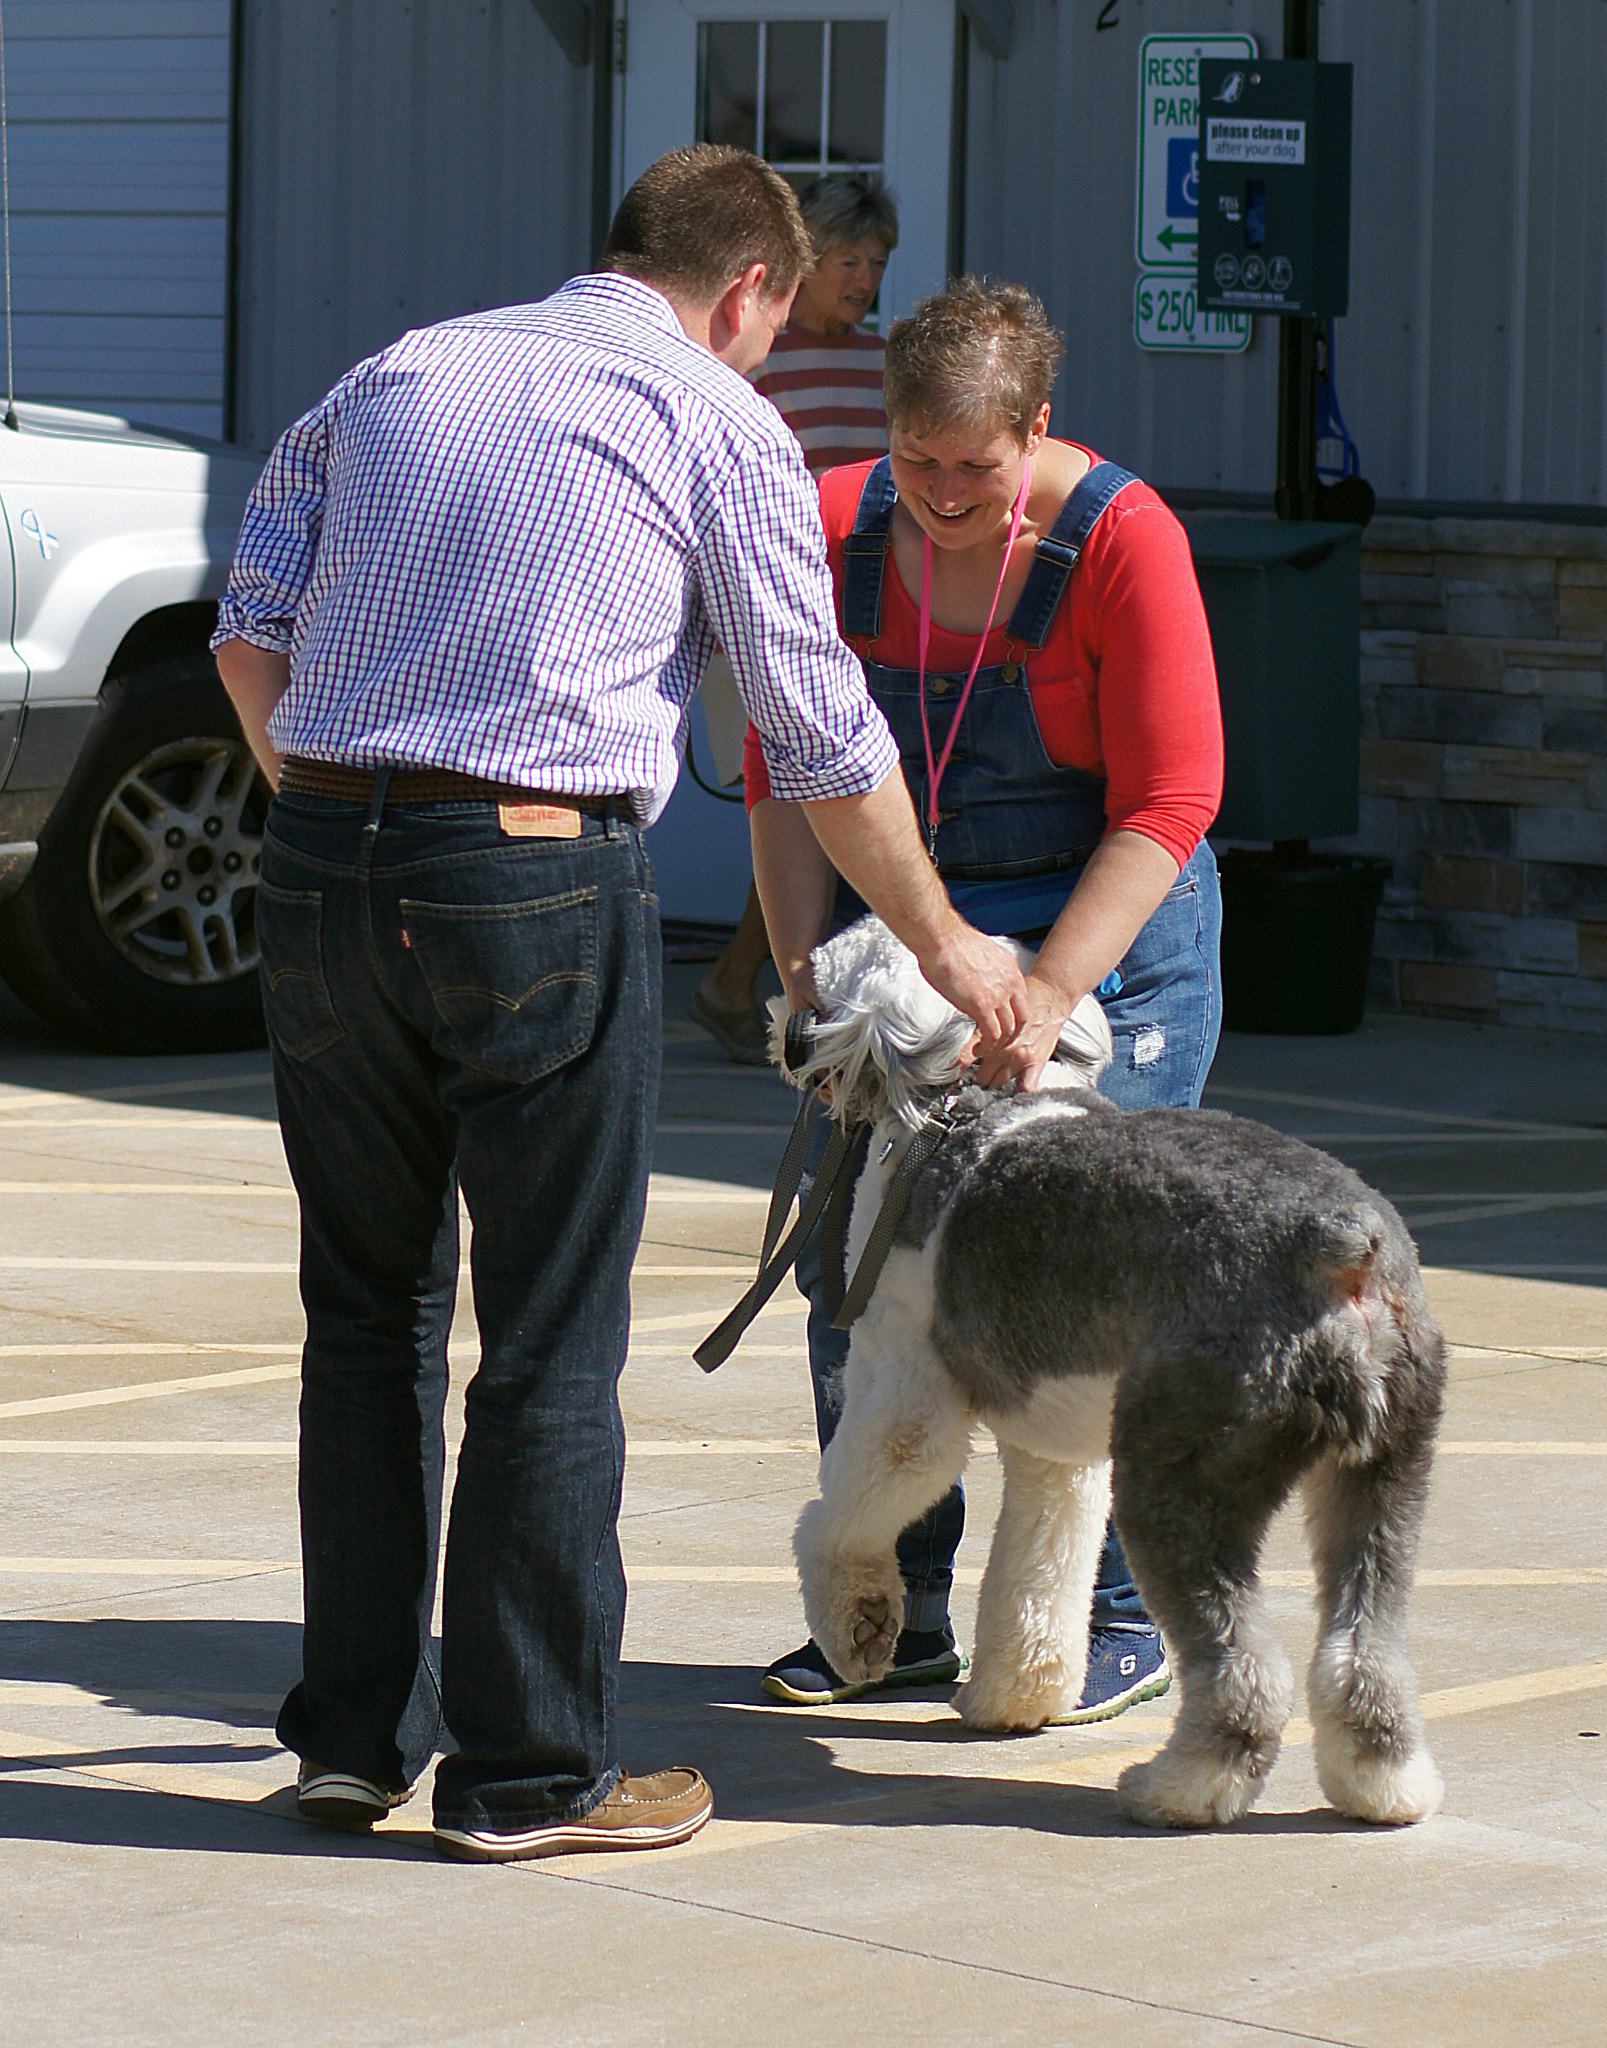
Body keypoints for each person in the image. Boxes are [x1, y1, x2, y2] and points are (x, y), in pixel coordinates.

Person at [210, 149, 1028, 1863]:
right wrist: (946, 945)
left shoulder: (401, 368)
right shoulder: (711, 419)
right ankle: (529, 1772)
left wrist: (338, 799)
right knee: (547, 1343)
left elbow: (248, 621)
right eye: (773, 322)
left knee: (364, 1324)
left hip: (315, 866)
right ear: (744, 290)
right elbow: (816, 728)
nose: (763, 353)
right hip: (528, 879)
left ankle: (351, 1741)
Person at [745, 278, 1225, 1714]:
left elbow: (1172, 798)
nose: (944, 496)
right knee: (866, 1271)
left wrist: (1050, 991)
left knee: (1096, 1286)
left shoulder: (1123, 540)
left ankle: (1126, 1615)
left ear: (1036, 432)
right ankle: (896, 1610)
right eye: (916, 461)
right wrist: (797, 972)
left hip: (1105, 925)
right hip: (907, 930)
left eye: (976, 466)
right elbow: (788, 768)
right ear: (883, 433)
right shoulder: (831, 531)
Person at [689, 172, 900, 1064]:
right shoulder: (757, 362)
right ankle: (754, 983)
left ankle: (749, 985)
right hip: (769, 605)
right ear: (800, 263)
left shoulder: (888, 360)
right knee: (801, 799)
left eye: (877, 261)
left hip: (869, 610)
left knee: (829, 798)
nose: (863, 278)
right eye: (847, 258)